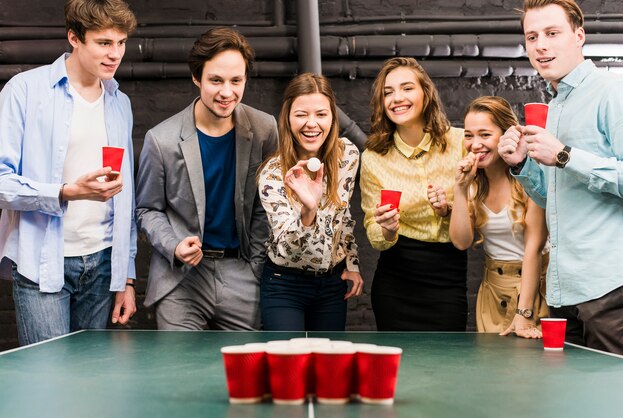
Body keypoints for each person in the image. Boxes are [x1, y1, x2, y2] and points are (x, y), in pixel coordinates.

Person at [0, 0, 138, 346]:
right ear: (74, 38)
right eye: (104, 43)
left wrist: (127, 277)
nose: (115, 54)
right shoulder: (25, 91)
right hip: (42, 260)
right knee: (50, 382)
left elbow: (127, 196)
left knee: (91, 384)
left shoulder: (119, 102)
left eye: (120, 42)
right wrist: (65, 192)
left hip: (104, 264)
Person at [498, 0, 623, 354]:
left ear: (579, 36)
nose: (541, 45)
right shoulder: (554, 107)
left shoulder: (612, 93)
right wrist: (523, 166)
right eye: (532, 36)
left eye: (552, 33)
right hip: (563, 292)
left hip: (610, 292)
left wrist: (566, 156)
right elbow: (553, 198)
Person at [135, 27, 278, 330]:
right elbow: (147, 209)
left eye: (236, 81)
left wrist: (255, 267)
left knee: (245, 374)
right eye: (216, 80)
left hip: (242, 274)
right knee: (181, 376)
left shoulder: (265, 129)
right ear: (197, 78)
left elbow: (266, 206)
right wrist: (174, 245)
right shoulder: (161, 140)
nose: (227, 92)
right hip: (181, 279)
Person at [360, 57, 468, 331]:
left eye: (407, 88)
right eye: (388, 92)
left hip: (448, 277)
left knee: (447, 367)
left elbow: (481, 208)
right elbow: (373, 232)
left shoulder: (460, 143)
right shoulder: (374, 157)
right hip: (396, 282)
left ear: (425, 94)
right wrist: (386, 229)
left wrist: (450, 210)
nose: (397, 98)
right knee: (400, 372)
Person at [257, 73, 363, 331]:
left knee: (328, 369)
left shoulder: (347, 154)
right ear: (288, 118)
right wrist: (309, 210)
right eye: (301, 114)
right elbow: (288, 248)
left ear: (332, 118)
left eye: (321, 114)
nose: (311, 124)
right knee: (288, 368)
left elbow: (343, 216)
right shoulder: (272, 173)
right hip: (285, 283)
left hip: (331, 284)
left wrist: (351, 262)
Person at [449, 96, 549, 338]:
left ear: (507, 135)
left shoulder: (529, 177)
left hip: (533, 288)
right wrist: (460, 189)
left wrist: (523, 314)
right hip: (492, 291)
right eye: (469, 135)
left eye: (485, 135)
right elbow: (461, 242)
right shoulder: (471, 182)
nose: (475, 144)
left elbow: (533, 248)